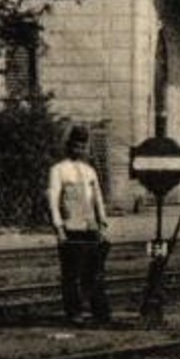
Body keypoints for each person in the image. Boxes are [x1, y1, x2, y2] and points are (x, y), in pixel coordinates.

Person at [47, 124, 112, 326]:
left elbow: (98, 199)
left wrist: (103, 224)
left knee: (94, 271)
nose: (79, 150)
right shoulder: (58, 170)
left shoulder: (90, 171)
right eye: (76, 146)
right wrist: (58, 228)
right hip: (71, 228)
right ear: (69, 146)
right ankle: (74, 312)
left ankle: (98, 312)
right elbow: (53, 200)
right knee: (71, 273)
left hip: (90, 227)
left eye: (83, 147)